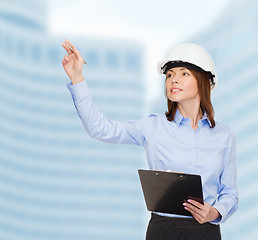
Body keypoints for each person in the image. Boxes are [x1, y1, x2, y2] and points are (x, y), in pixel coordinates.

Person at [62, 39, 238, 240]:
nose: (173, 79)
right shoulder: (153, 127)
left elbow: (230, 192)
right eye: (170, 75)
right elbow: (99, 129)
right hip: (163, 230)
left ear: (203, 81)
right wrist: (77, 78)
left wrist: (215, 212)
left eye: (184, 73)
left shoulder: (224, 136)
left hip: (206, 231)